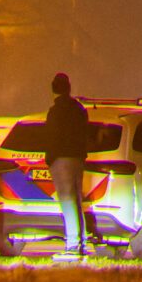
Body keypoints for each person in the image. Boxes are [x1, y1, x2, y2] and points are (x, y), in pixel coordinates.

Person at [41, 72, 89, 258]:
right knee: (76, 201)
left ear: (54, 89)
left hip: (61, 159)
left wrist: (50, 159)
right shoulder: (79, 109)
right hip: (77, 159)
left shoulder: (55, 111)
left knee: (67, 202)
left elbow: (51, 137)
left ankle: (72, 245)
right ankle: (80, 242)